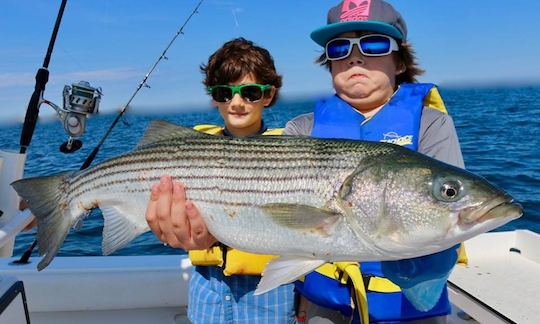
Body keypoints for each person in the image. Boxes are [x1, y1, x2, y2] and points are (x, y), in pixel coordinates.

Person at [284, 0, 466, 323]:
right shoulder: (301, 130)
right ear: (329, 63)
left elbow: (450, 219)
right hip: (326, 307)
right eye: (339, 47)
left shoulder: (431, 125)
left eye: (374, 43)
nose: (355, 56)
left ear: (399, 63)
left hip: (411, 310)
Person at [145, 37, 296, 323]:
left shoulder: (291, 148)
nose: (236, 103)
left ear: (269, 95)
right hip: (206, 287)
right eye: (224, 93)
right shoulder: (188, 148)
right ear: (214, 97)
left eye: (250, 93)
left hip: (270, 291)